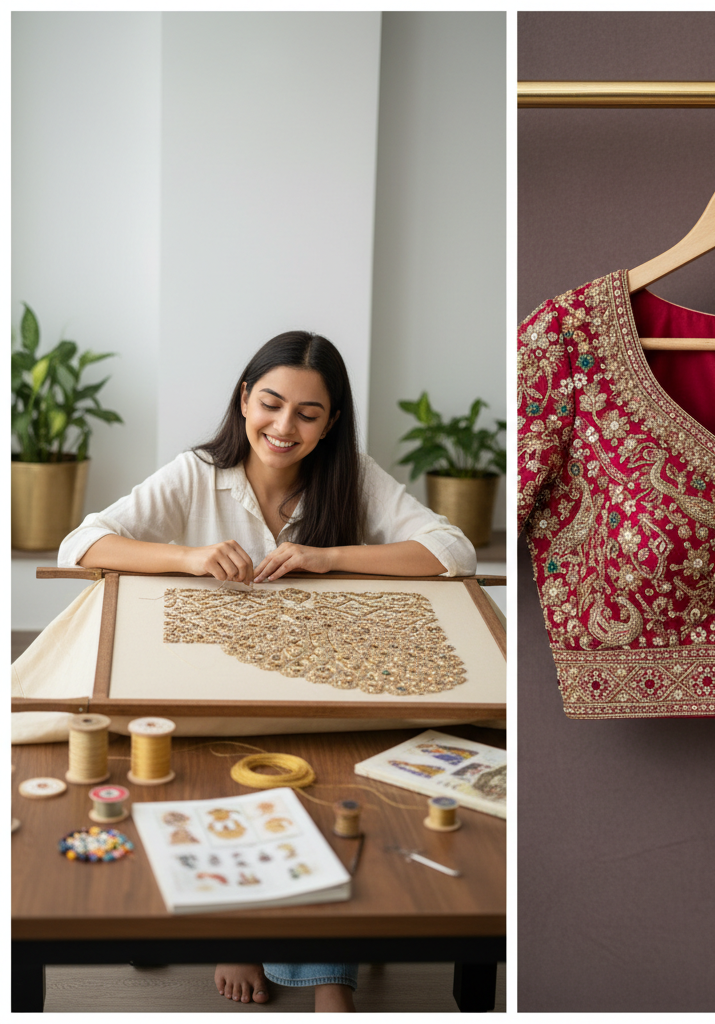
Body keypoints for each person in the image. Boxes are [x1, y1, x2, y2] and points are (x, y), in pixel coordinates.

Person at [59, 330, 477, 1011]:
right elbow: (80, 542)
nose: (284, 427)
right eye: (271, 404)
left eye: (308, 414)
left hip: (316, 682)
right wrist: (189, 559)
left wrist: (330, 556)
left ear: (330, 423)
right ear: (243, 399)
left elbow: (450, 547)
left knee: (329, 776)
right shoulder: (197, 473)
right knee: (219, 765)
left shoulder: (352, 474)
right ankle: (242, 931)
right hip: (213, 681)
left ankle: (324, 973)